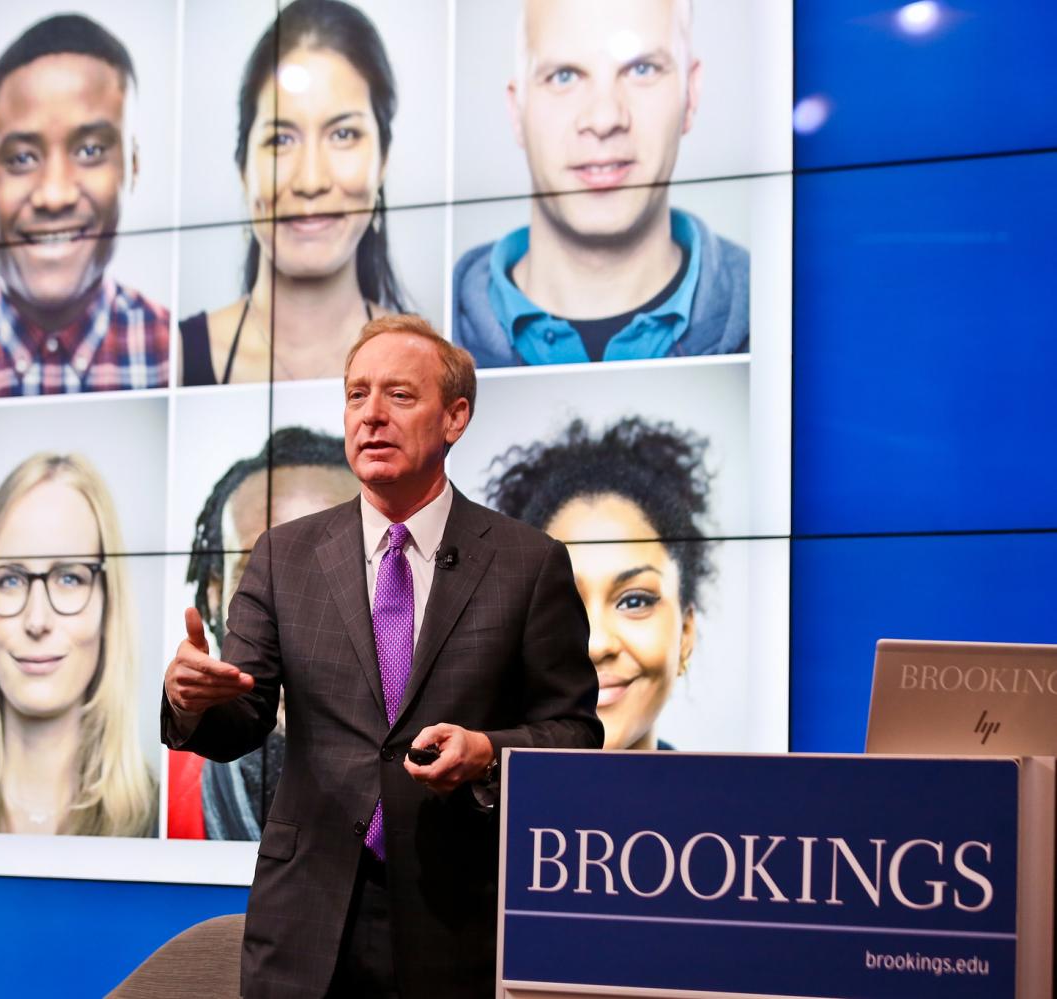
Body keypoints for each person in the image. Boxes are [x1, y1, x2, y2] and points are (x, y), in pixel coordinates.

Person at [163, 314, 600, 997]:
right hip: (307, 915)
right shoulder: (285, 555)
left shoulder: (527, 562)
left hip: (457, 917)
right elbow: (243, 719)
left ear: (455, 417)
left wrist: (488, 751)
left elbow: (575, 735)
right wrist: (190, 700)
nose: (371, 415)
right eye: (356, 394)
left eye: (398, 395)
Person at [452, 0, 748, 366]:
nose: (605, 118)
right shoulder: (422, 328)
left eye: (642, 69)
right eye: (564, 76)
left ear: (692, 94)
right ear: (517, 112)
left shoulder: (793, 308)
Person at [0, 15, 168, 400]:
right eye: (22, 158)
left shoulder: (177, 354)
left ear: (132, 168)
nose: (54, 195)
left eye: (90, 151)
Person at [0, 453, 155, 836]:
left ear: (108, 605)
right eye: (10, 580)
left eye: (69, 578)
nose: (36, 621)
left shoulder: (166, 826)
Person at [180, 0, 406, 386]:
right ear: (243, 166)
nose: (311, 180)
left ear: (383, 158)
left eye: (343, 134)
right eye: (281, 139)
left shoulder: (437, 355)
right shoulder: (175, 356)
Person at [170, 426, 360, 839]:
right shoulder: (162, 800)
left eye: (337, 571)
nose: (300, 616)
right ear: (214, 594)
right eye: (261, 573)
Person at [485, 416, 716, 750]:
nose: (596, 645)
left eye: (634, 601)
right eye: (560, 604)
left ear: (686, 635)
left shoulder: (730, 803)